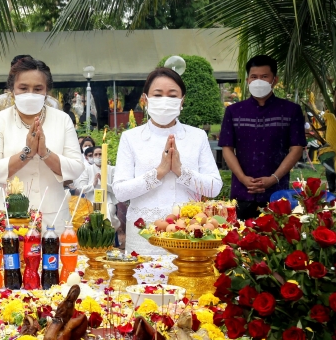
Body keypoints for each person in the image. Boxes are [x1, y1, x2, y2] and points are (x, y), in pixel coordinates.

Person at [113, 67, 222, 256]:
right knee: (144, 276)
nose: (164, 100)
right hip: (144, 234)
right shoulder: (131, 138)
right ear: (145, 99)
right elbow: (120, 192)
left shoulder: (197, 136)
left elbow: (214, 187)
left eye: (172, 95)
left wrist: (181, 171)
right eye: (157, 94)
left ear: (182, 101)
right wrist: (158, 173)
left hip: (188, 233)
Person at [0, 57, 84, 224]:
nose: (30, 94)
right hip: (8, 217)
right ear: (12, 89)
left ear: (47, 90)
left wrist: (45, 153)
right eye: (23, 88)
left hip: (54, 215)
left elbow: (76, 168)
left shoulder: (62, 119)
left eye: (37, 89)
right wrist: (26, 153)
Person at [218, 55, 306, 220]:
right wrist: (243, 178)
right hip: (242, 193)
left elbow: (297, 148)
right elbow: (227, 148)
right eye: (254, 77)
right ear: (247, 80)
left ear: (274, 80)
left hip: (277, 194)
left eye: (264, 76)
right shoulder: (234, 111)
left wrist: (273, 178)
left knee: (277, 235)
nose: (258, 81)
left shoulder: (291, 110)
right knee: (239, 234)